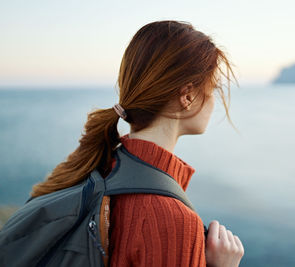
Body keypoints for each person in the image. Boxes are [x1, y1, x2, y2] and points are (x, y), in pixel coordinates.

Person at [30, 20, 244, 267]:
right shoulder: (173, 221)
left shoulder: (100, 166)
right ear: (187, 95)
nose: (215, 102)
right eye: (214, 88)